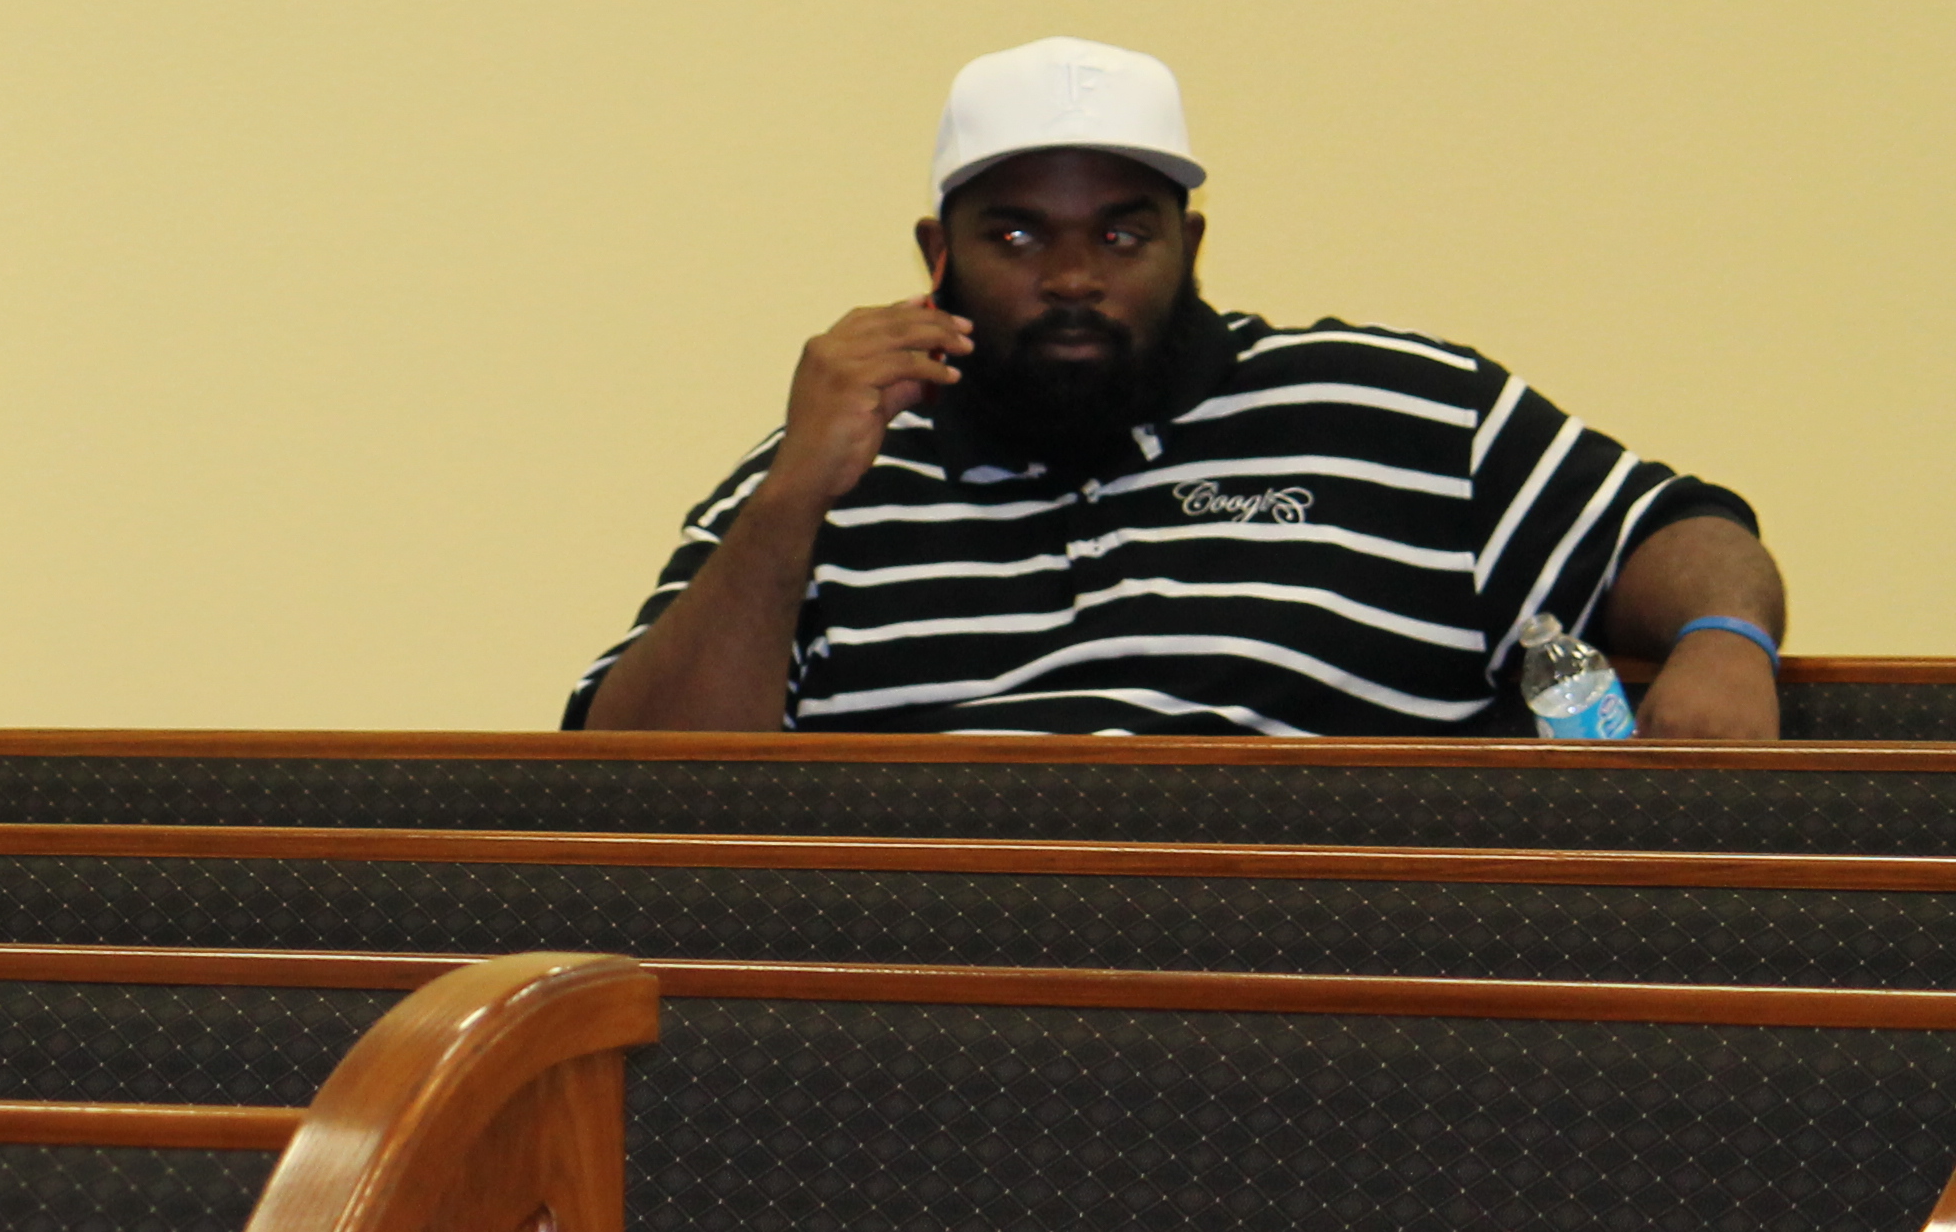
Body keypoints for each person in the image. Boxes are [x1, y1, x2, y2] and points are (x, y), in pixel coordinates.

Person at [569, 37, 1789, 739]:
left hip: (1342, 1031)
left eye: (1121, 233)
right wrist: (789, 503)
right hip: (927, 1051)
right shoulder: (822, 482)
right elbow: (640, 806)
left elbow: (1679, 530)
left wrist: (1727, 647)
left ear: (1189, 245)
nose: (1071, 279)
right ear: (935, 256)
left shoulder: (1401, 413)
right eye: (1014, 234)